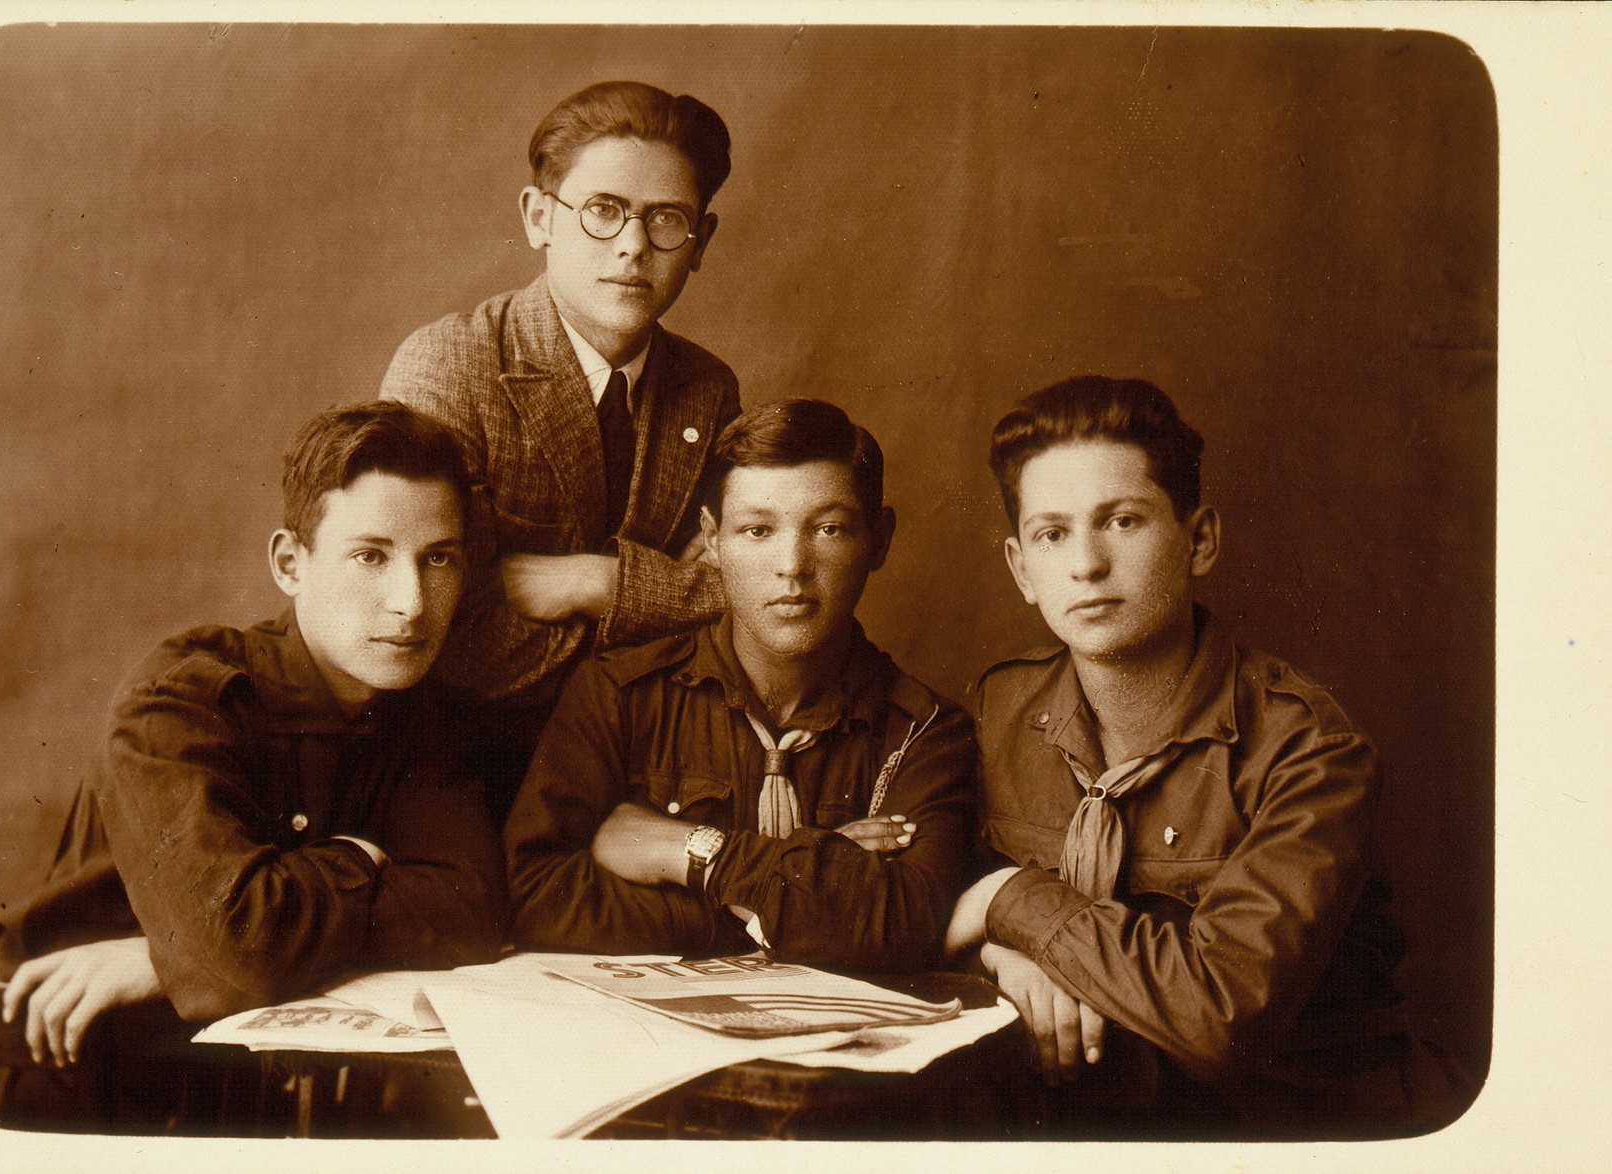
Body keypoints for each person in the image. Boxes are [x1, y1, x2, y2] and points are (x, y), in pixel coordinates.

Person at [944, 376, 1472, 1136]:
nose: (1086, 564)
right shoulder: (1001, 711)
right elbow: (925, 915)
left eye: (1122, 521)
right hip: (1087, 1128)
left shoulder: (1310, 750)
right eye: (1052, 534)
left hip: (1305, 1130)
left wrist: (1009, 902)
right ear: (1022, 568)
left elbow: (1219, 1016)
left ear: (1200, 540)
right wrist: (1001, 959)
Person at [0, 402, 507, 1128]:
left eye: (437, 558)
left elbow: (470, 909)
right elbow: (236, 951)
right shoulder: (180, 700)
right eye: (370, 555)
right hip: (64, 1094)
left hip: (257, 1110)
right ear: (289, 563)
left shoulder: (427, 719)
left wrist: (162, 963)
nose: (410, 602)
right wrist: (353, 862)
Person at [504, 399, 976, 972]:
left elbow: (907, 926)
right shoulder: (619, 693)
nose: (792, 565)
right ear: (714, 541)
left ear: (878, 540)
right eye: (757, 530)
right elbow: (536, 896)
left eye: (829, 529)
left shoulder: (926, 730)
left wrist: (693, 852)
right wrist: (793, 892)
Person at [380, 80, 742, 819]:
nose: (633, 245)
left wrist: (591, 582)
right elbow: (452, 632)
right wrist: (657, 598)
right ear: (539, 217)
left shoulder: (707, 390)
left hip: (643, 775)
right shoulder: (450, 364)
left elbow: (740, 594)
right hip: (457, 766)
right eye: (603, 211)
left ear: (700, 242)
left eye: (665, 219)